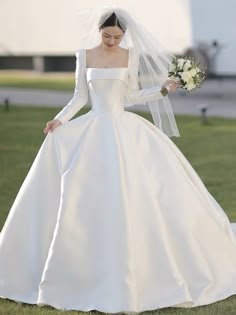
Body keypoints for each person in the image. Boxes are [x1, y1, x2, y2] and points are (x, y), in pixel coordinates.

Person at [1, 6, 236, 314]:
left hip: (125, 128)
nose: (112, 41)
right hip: (93, 127)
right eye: (107, 35)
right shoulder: (83, 55)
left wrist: (164, 90)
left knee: (137, 191)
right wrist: (58, 120)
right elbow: (80, 97)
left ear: (124, 35)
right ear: (99, 31)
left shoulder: (130, 56)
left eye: (117, 36)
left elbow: (132, 96)